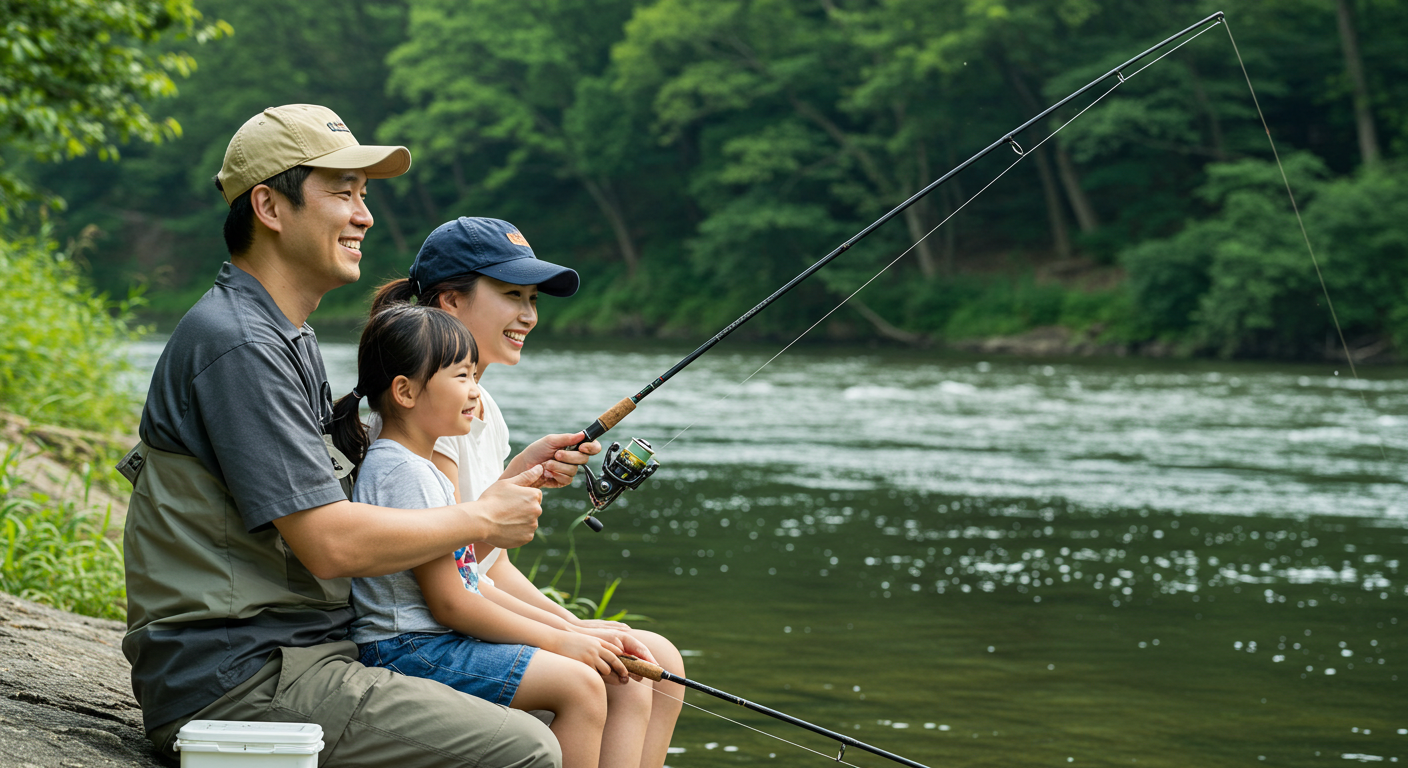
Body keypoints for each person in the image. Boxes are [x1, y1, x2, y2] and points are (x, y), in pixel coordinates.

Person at [121, 104, 588, 767]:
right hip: (242, 676)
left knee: (557, 695)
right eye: (343, 194)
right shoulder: (240, 346)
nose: (364, 215)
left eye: (363, 195)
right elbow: (330, 544)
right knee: (526, 747)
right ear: (269, 207)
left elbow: (383, 510)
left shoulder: (283, 336)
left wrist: (504, 487)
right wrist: (483, 513)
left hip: (295, 652)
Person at [368, 216, 685, 768]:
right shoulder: (415, 430)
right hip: (426, 636)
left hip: (460, 613)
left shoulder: (480, 413)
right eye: (512, 295)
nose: (529, 315)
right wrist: (565, 637)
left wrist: (572, 624)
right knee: (615, 675)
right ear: (451, 301)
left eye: (534, 299)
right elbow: (453, 580)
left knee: (660, 661)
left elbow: (483, 566)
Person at [328, 303, 653, 768]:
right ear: (405, 391)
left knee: (586, 669)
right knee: (578, 685)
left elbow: (472, 581)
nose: (476, 392)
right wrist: (562, 643)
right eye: (462, 377)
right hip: (408, 649)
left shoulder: (423, 470)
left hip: (431, 641)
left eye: (475, 378)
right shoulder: (403, 471)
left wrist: (573, 628)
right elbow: (452, 602)